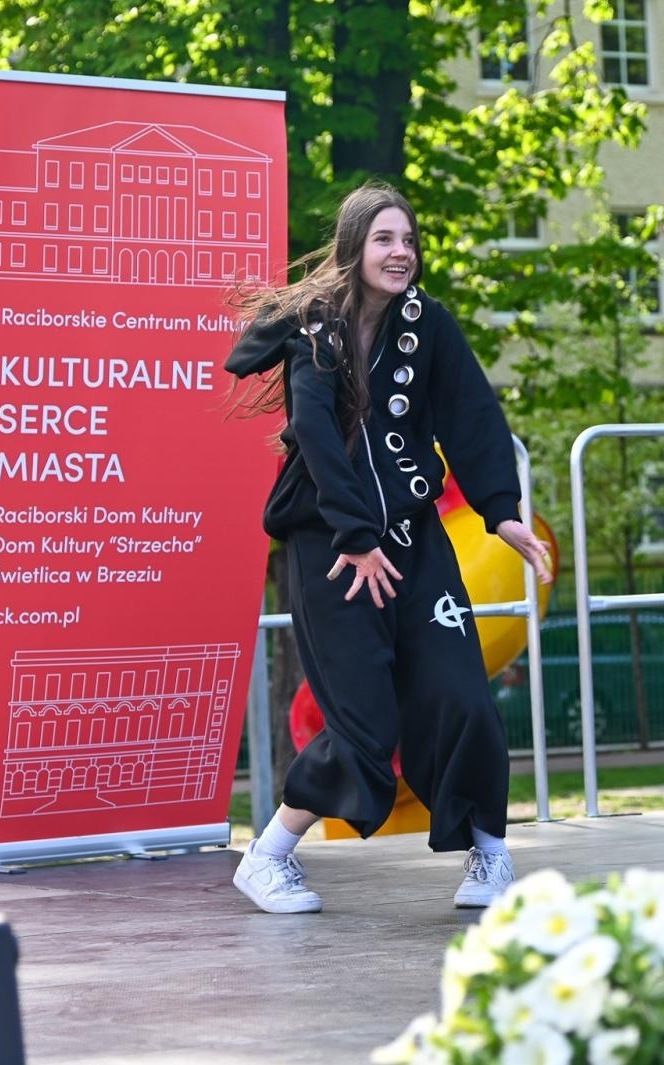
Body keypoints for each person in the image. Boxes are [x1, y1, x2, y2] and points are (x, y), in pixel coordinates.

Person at [223, 181, 553, 913]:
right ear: (355, 248)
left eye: (408, 240)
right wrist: (357, 536)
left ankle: (490, 854)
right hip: (334, 548)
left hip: (413, 540)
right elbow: (315, 433)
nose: (401, 252)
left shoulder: (427, 324)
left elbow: (472, 415)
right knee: (365, 724)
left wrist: (501, 512)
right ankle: (267, 857)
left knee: (462, 695)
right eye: (385, 239)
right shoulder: (317, 329)